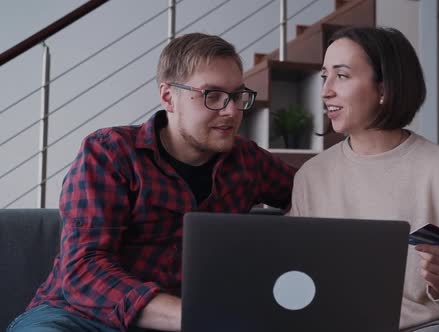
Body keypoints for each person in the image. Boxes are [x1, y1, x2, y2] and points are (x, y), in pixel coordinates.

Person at [8, 32, 295, 332]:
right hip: (78, 317)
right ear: (168, 97)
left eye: (237, 95)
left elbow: (313, 191)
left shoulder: (248, 161)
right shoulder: (110, 152)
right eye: (212, 95)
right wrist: (196, 316)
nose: (232, 110)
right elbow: (84, 270)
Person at [288, 26, 439, 332]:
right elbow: (296, 279)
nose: (325, 90)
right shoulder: (311, 176)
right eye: (324, 76)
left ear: (384, 89)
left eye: (342, 75)